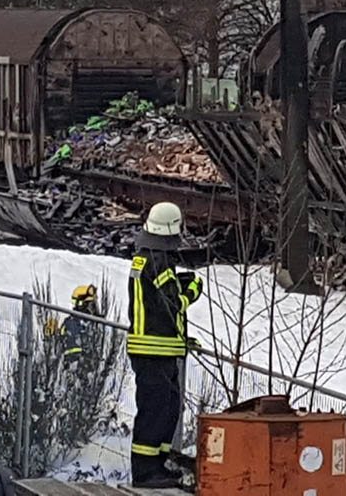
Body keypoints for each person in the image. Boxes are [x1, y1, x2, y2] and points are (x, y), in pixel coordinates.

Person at [127, 202, 202, 488]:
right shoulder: (159, 262)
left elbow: (155, 302)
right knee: (157, 409)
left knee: (167, 407)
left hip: (155, 348)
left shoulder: (144, 259)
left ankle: (156, 466)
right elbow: (172, 304)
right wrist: (192, 291)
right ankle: (146, 472)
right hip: (155, 351)